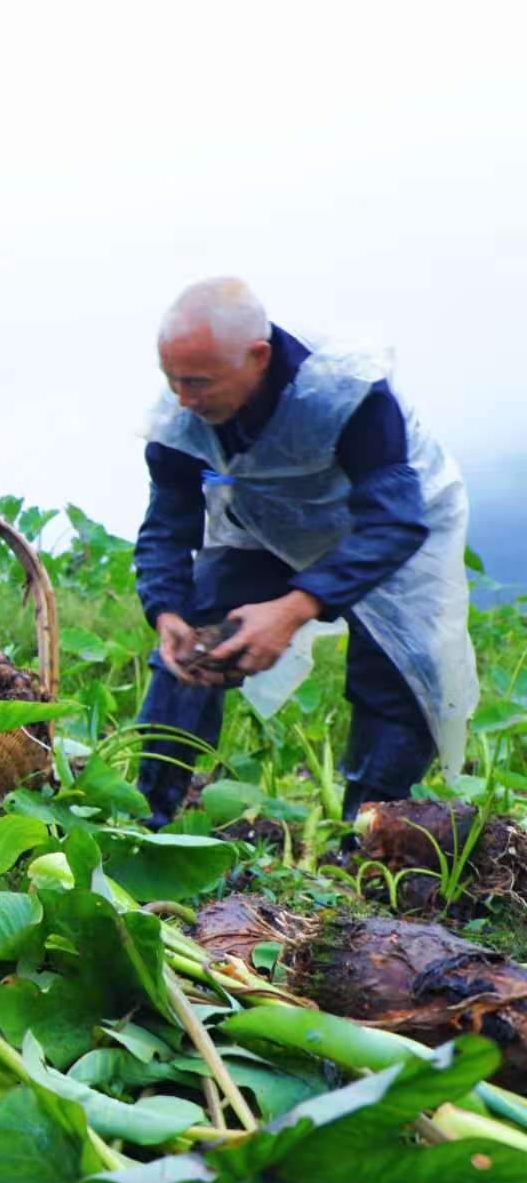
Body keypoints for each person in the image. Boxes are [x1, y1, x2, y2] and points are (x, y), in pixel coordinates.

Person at [132, 277, 476, 826]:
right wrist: (166, 609)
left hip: (389, 523)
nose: (183, 399)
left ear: (257, 357)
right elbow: (169, 521)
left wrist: (294, 608)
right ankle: (147, 818)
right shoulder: (182, 411)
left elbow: (393, 520)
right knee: (193, 644)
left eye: (197, 383)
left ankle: (368, 838)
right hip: (268, 522)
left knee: (399, 672)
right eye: (171, 380)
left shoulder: (344, 389)